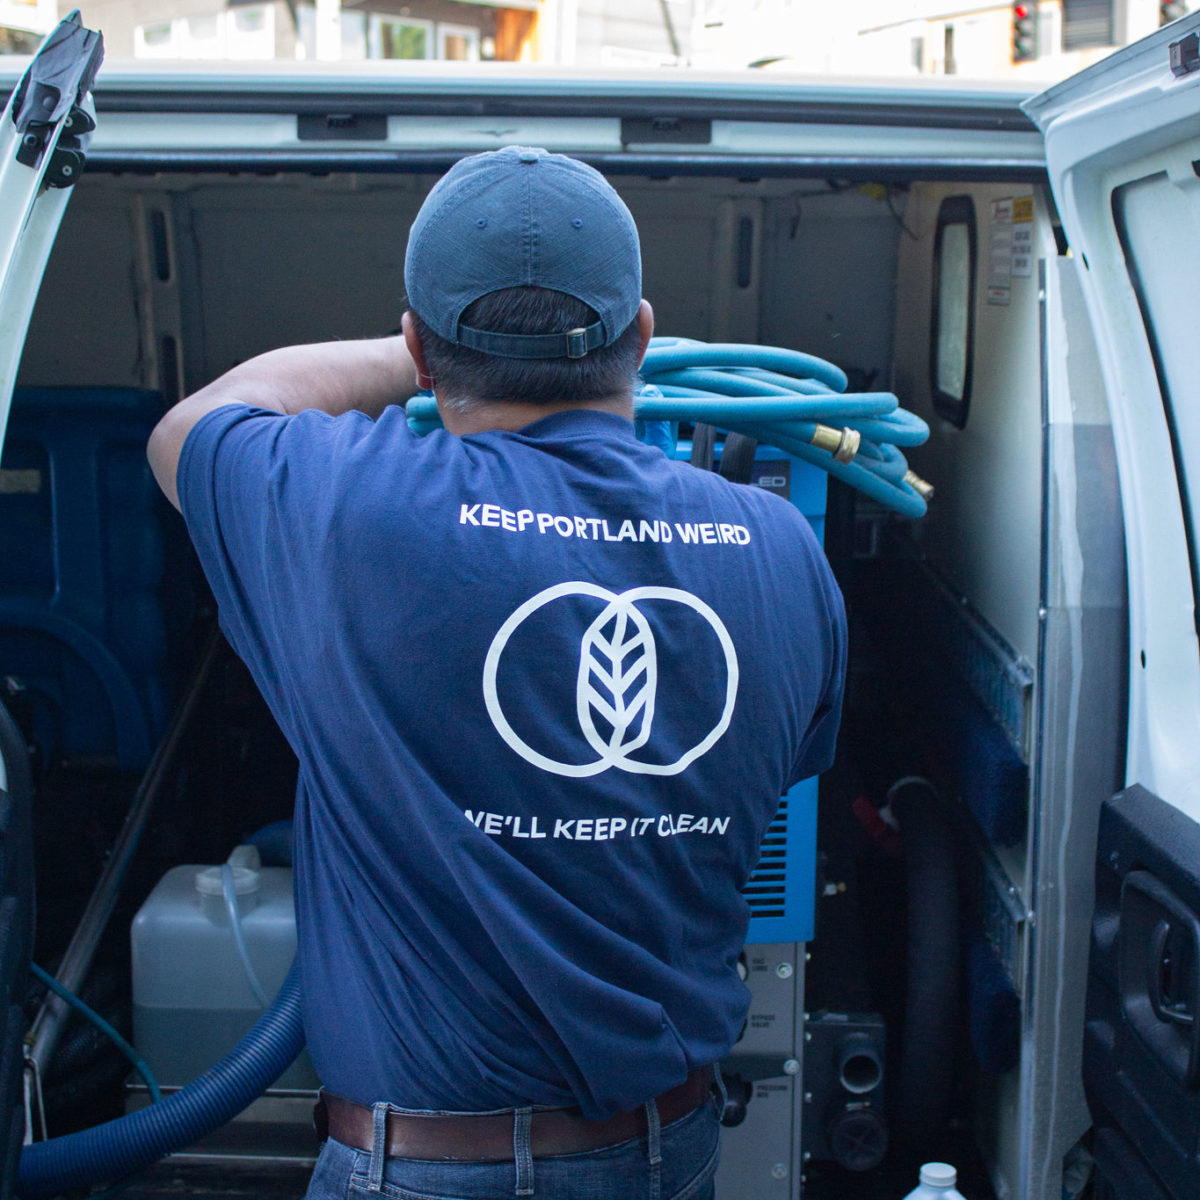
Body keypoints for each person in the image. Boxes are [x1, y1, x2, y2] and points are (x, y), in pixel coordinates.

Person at [147, 145, 846, 1200]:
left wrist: (418, 352)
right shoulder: (782, 548)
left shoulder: (349, 510)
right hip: (669, 1151)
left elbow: (197, 423)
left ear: (419, 348)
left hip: (423, 1172)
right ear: (643, 336)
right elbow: (776, 772)